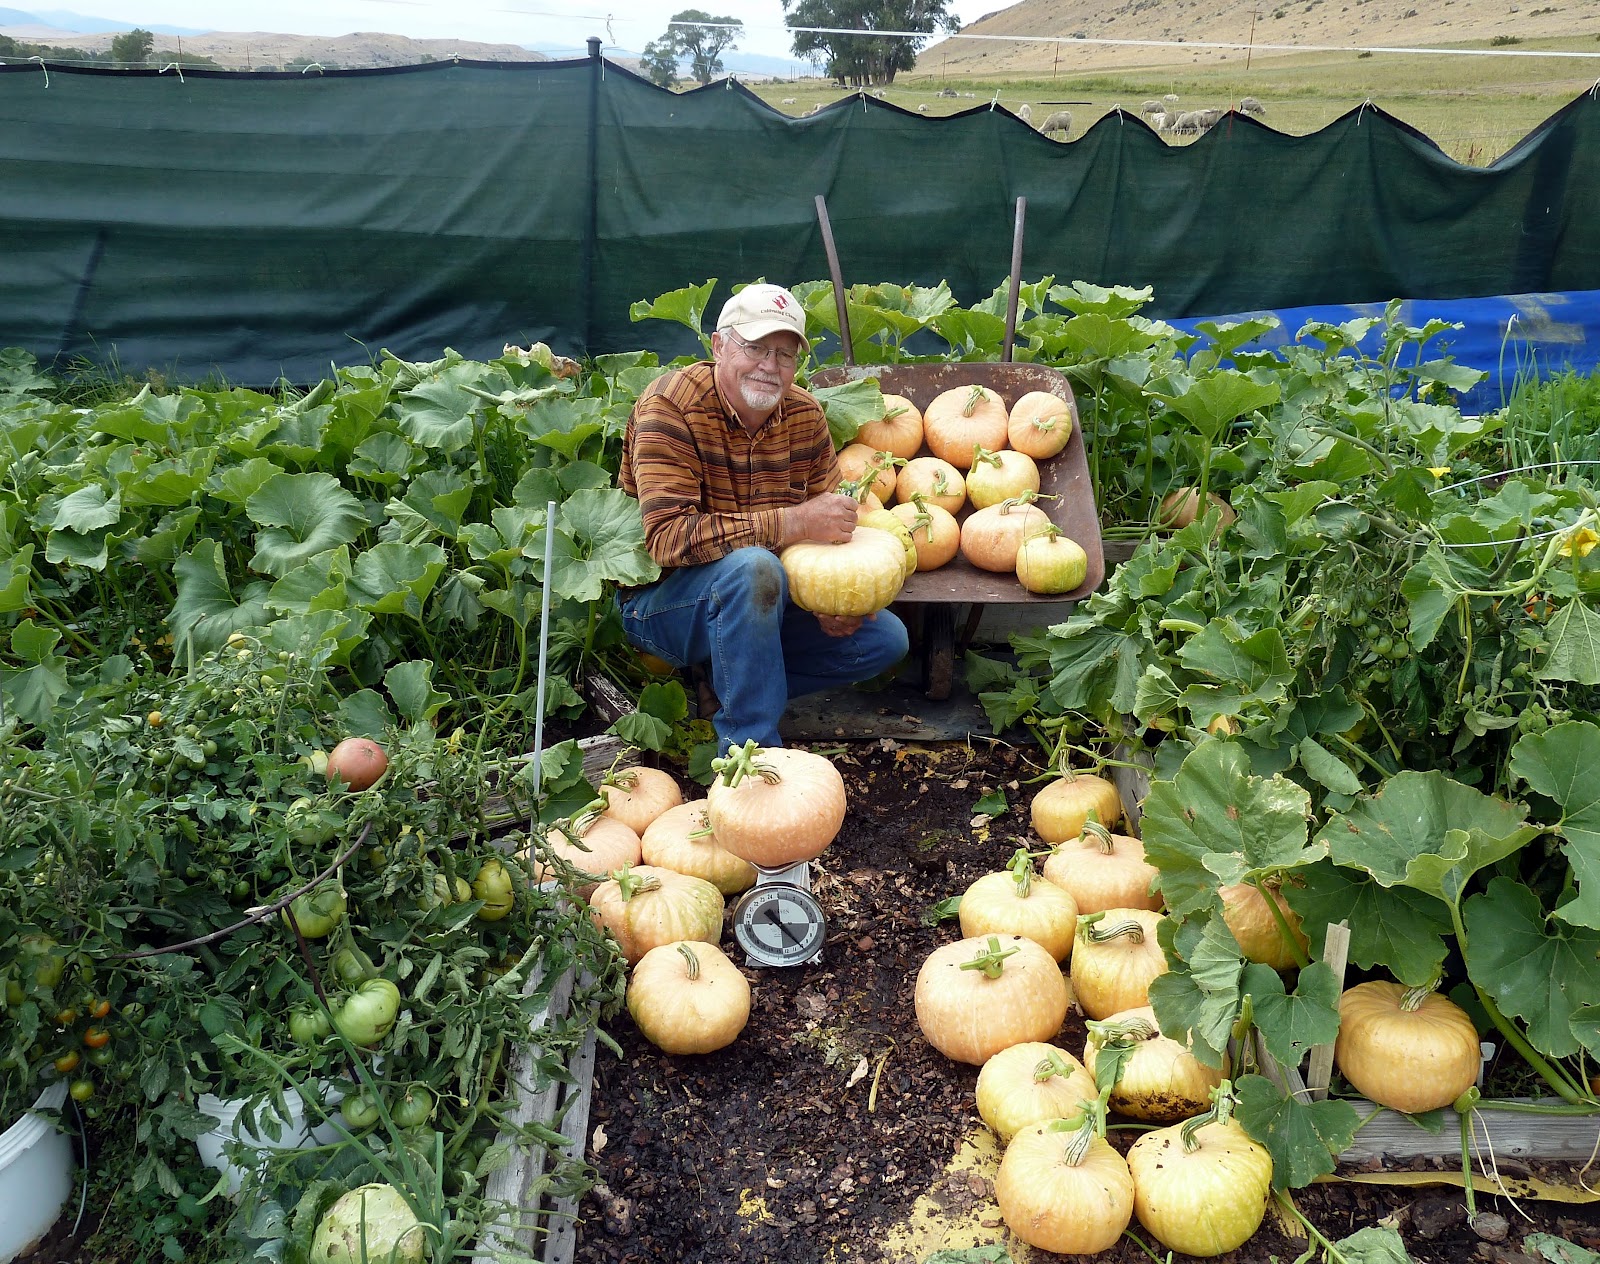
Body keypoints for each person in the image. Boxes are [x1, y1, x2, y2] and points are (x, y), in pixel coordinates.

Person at [617, 283, 910, 754]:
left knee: (884, 640)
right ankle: (751, 757)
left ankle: (726, 682)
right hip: (663, 603)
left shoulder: (805, 416)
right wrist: (793, 523)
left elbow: (826, 533)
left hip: (762, 601)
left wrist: (830, 603)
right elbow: (668, 539)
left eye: (784, 355)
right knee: (754, 567)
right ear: (719, 346)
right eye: (754, 347)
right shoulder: (669, 407)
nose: (769, 367)